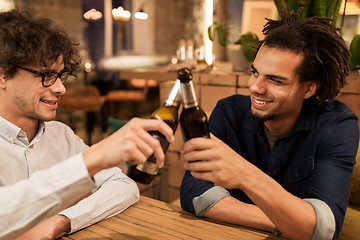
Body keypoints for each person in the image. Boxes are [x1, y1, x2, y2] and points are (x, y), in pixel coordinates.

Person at [180, 8, 359, 240]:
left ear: (309, 88)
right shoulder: (228, 112)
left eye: (275, 80)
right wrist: (282, 221)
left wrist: (244, 174)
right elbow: (193, 192)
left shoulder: (337, 126)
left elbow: (324, 229)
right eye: (255, 73)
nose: (256, 87)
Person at [0, 9, 174, 240]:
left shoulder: (60, 135)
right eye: (46, 75)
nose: (61, 88)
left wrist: (61, 221)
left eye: (60, 76)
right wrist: (93, 159)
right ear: (2, 75)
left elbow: (123, 185)